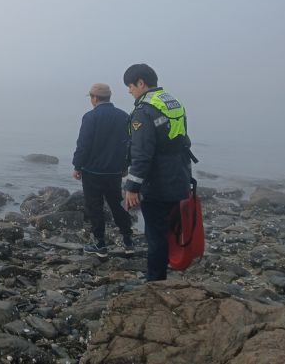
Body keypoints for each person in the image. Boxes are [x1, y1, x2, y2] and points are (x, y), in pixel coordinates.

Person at [122, 64, 194, 282]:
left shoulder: (143, 111)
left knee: (155, 235)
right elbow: (183, 140)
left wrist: (132, 187)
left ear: (141, 83)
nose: (129, 91)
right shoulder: (172, 103)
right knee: (170, 229)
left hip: (157, 184)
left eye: (130, 86)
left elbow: (142, 154)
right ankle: (171, 266)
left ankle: (155, 281)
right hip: (179, 177)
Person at [72, 83, 134, 258]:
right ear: (109, 97)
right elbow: (130, 145)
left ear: (94, 98)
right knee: (117, 204)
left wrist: (77, 166)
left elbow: (83, 144)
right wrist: (125, 166)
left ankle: (100, 244)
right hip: (114, 171)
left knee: (95, 207)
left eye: (91, 97)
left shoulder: (90, 117)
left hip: (92, 171)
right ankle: (128, 241)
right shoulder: (124, 116)